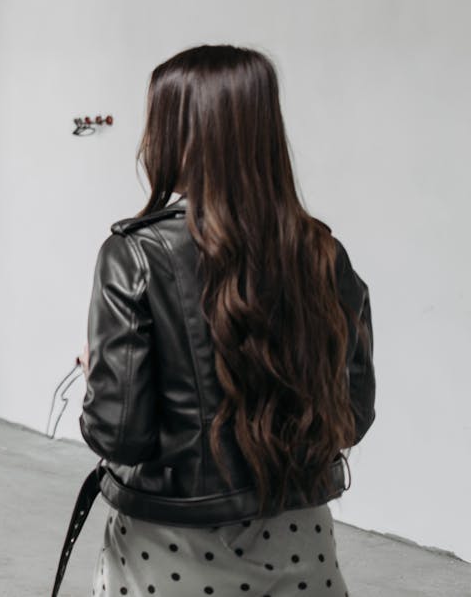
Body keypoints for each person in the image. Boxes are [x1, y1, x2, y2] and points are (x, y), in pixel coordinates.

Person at [79, 45, 376, 596]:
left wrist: (105, 370)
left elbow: (118, 434)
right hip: (302, 538)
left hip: (169, 547)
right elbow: (352, 417)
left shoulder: (136, 254)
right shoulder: (322, 252)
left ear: (175, 134)